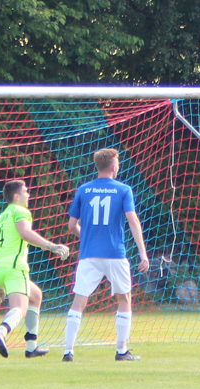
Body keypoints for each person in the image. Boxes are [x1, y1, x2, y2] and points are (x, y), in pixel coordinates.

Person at [62, 148, 150, 362]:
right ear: (113, 167)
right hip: (115, 253)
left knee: (79, 300)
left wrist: (87, 237)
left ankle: (68, 351)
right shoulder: (123, 190)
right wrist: (142, 253)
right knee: (124, 298)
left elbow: (72, 225)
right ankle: (121, 351)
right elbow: (132, 220)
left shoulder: (83, 190)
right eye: (117, 163)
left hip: (89, 254)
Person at [0, 179, 69, 358]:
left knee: (36, 295)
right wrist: (51, 246)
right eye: (25, 191)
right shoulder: (20, 211)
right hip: (14, 268)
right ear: (16, 196)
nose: (28, 195)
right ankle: (2, 331)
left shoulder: (2, 216)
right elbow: (25, 233)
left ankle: (31, 347)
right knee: (20, 307)